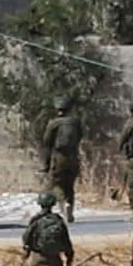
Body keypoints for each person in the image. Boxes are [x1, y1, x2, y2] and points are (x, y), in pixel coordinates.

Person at [22, 192, 75, 266]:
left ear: (40, 204)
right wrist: (69, 259)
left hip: (39, 259)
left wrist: (25, 254)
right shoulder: (58, 221)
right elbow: (67, 243)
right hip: (55, 259)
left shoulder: (36, 221)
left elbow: (27, 239)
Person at [41, 95, 83, 223]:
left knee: (56, 183)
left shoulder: (53, 123)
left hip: (59, 157)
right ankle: (70, 205)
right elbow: (80, 137)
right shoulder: (76, 122)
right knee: (69, 184)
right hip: (73, 156)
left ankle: (63, 202)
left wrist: (46, 164)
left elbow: (47, 144)